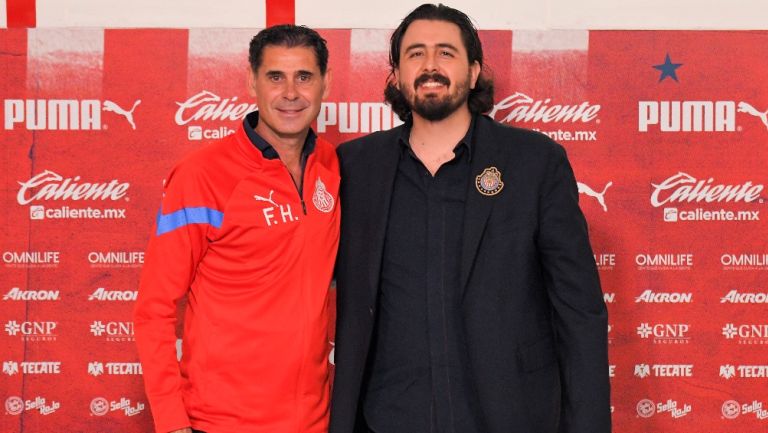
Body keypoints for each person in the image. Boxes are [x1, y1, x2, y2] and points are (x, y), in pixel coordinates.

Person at [329, 4, 611, 433]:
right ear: (397, 76)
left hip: (509, 416)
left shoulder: (535, 162)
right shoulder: (353, 167)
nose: (429, 65)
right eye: (415, 53)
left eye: (446, 53)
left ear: (475, 71)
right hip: (387, 418)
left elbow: (579, 312)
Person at [134, 25, 339, 433]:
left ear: (325, 83)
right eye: (275, 77)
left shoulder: (333, 167)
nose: (291, 93)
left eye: (304, 76)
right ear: (251, 81)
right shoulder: (201, 175)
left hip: (315, 421)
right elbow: (153, 308)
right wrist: (172, 421)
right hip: (220, 421)